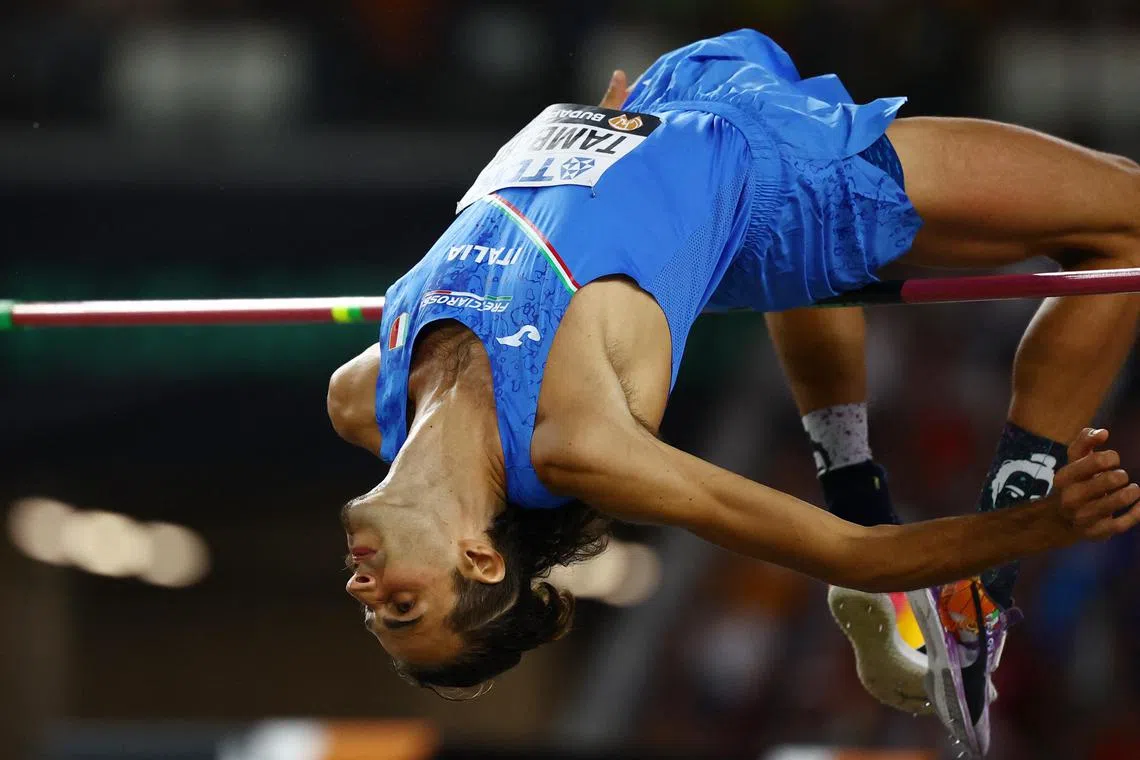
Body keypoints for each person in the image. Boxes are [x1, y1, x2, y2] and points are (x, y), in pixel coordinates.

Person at [328, 28, 1140, 752]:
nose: (367, 594)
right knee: (1128, 216)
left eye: (374, 615)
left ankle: (857, 482)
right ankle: (985, 592)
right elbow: (851, 557)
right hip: (785, 180)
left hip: (662, 103)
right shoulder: (571, 441)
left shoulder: (367, 396)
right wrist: (1044, 524)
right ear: (478, 557)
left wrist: (605, 150)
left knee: (812, 276)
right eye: (402, 609)